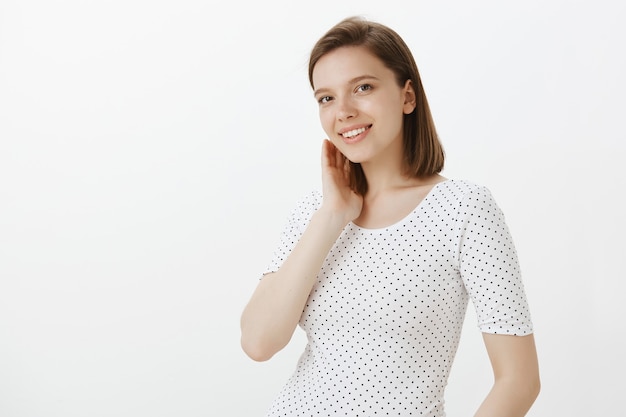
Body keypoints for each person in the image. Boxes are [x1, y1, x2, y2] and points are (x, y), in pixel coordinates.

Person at [240, 16, 540, 417]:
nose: (343, 111)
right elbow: (258, 342)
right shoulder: (315, 212)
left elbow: (519, 381)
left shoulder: (464, 209)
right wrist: (332, 215)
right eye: (326, 98)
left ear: (407, 96)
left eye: (362, 87)